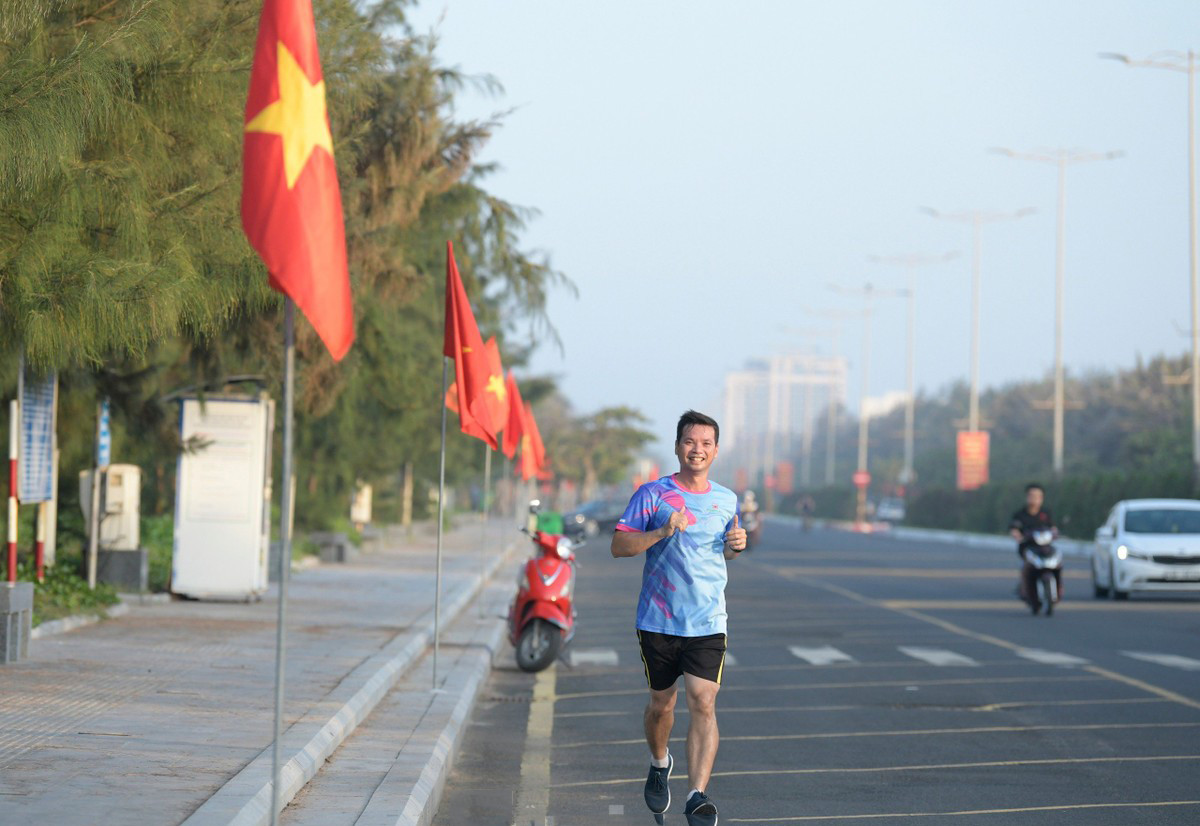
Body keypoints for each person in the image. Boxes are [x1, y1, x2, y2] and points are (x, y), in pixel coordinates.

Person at [611, 410, 746, 826]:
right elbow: (619, 546)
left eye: (706, 444)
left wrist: (735, 545)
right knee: (661, 705)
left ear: (716, 451)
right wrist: (659, 533)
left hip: (708, 619)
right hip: (659, 620)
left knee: (704, 701)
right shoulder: (651, 494)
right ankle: (658, 762)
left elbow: (722, 549)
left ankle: (697, 795)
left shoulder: (727, 500)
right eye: (690, 442)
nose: (697, 450)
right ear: (677, 447)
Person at [1008, 483, 1060, 605]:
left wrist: (1055, 533)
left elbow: (1053, 528)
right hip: (1028, 548)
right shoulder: (1020, 514)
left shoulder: (1045, 514)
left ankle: (1058, 587)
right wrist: (1017, 535)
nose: (1035, 499)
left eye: (1038, 496)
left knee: (1057, 562)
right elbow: (1014, 528)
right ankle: (1025, 589)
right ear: (1027, 497)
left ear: (1042, 498)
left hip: (1045, 548)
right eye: (1032, 496)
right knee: (1026, 566)